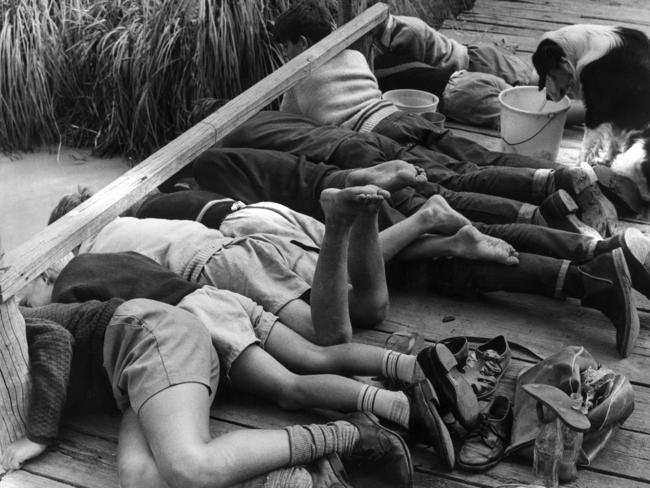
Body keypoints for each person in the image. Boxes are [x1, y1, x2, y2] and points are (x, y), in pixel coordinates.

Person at [17, 243, 477, 470]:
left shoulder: (63, 291)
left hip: (184, 319)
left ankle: (394, 407)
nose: (30, 296)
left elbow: (67, 340)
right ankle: (417, 370)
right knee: (318, 354)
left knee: (291, 389)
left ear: (48, 270)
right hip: (214, 297)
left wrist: (38, 430)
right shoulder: (110, 252)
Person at [188, 146, 644, 358]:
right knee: (464, 226)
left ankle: (594, 273)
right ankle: (604, 255)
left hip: (348, 199)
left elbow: (313, 219)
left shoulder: (210, 193)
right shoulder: (232, 160)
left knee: (446, 265)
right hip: (350, 185)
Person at [272, 1, 622, 236]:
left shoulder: (297, 78)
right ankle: (564, 176)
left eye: (285, 48)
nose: (283, 56)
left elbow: (285, 127)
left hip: (379, 132)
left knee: (457, 180)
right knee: (480, 156)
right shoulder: (352, 52)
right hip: (402, 116)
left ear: (302, 43)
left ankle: (539, 214)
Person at [8, 293, 414, 487]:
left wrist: (36, 435)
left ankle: (348, 434)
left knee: (189, 466)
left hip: (146, 336)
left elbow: (54, 339)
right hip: (134, 383)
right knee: (141, 481)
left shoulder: (14, 317)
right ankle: (294, 479)